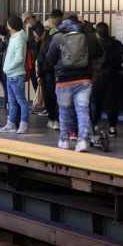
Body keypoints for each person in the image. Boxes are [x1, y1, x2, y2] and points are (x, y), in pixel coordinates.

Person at [49, 13, 95, 151]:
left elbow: (49, 59)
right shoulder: (88, 36)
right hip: (84, 80)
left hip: (63, 80)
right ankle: (83, 141)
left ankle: (64, 140)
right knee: (82, 110)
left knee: (64, 111)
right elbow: (98, 53)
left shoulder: (57, 37)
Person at [0, 13, 30, 133]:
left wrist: (7, 68)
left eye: (8, 24)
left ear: (11, 25)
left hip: (16, 75)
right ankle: (11, 124)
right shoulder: (13, 37)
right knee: (11, 102)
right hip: (11, 75)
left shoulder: (20, 39)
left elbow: (19, 58)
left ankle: (23, 124)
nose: (6, 26)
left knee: (21, 101)